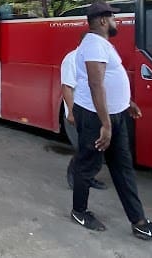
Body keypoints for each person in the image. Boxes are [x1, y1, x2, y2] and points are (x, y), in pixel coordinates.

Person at [70, 1, 152, 241]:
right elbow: (96, 84)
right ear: (103, 20)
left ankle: (139, 223)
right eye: (113, 17)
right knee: (87, 165)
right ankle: (79, 212)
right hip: (96, 117)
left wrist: (127, 103)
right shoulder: (93, 44)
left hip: (115, 115)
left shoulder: (102, 44)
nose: (116, 21)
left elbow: (112, 80)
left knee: (123, 168)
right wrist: (105, 124)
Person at [61, 38, 107, 191]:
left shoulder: (93, 60)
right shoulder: (72, 58)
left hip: (93, 113)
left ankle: (89, 177)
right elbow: (66, 87)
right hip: (78, 114)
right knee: (84, 149)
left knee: (95, 149)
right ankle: (74, 176)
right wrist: (72, 113)